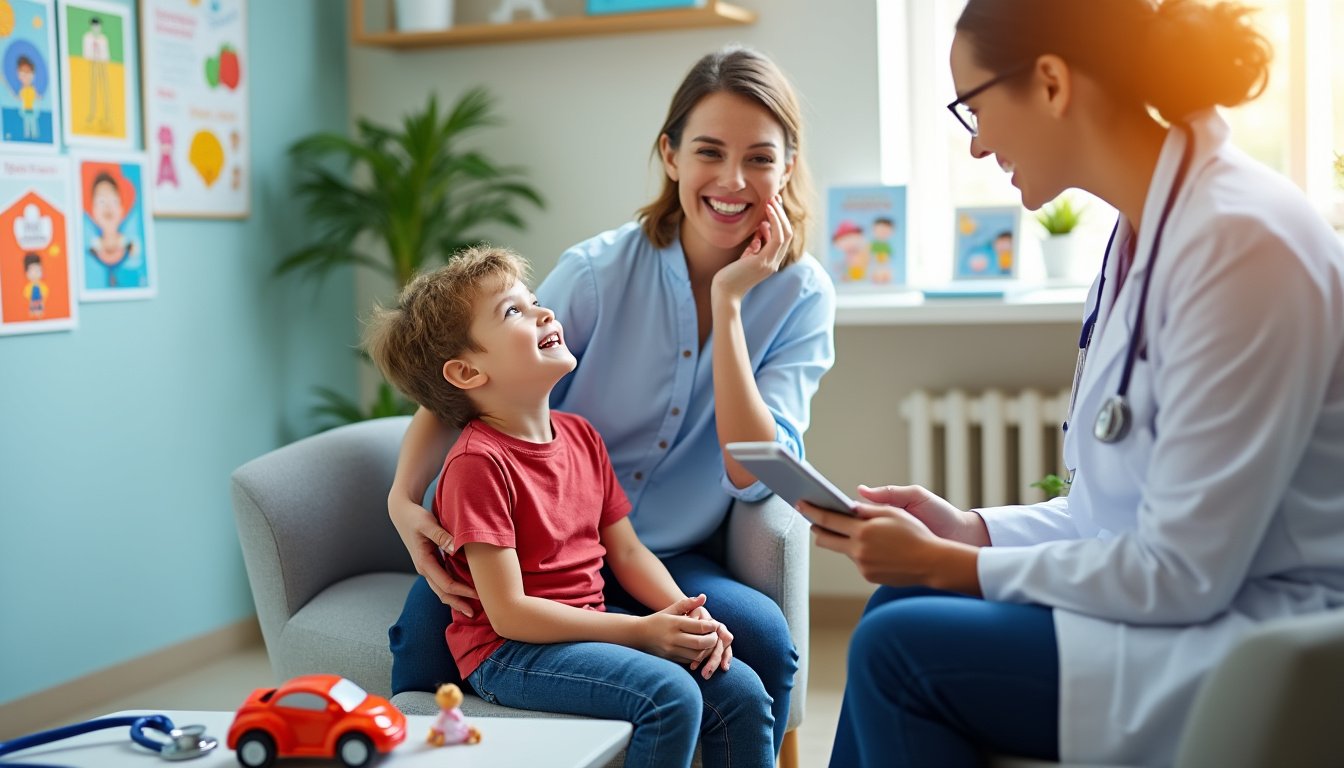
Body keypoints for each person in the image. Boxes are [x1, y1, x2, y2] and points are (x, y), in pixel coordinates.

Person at [798, 1, 1344, 766]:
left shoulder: (1241, 241)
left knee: (900, 649)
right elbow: (1107, 510)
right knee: (902, 603)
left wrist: (950, 563)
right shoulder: (1142, 231)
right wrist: (969, 532)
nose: (980, 144)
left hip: (1258, 632)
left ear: (1051, 83)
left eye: (974, 108)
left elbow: (1183, 569)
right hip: (1189, 605)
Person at [386, 45, 835, 760]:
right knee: (421, 642)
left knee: (764, 651)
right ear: (670, 155)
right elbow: (462, 389)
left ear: (787, 166)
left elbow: (752, 472)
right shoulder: (597, 272)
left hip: (669, 551)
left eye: (759, 157)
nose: (731, 180)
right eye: (709, 152)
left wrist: (731, 306)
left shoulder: (802, 294)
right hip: (532, 548)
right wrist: (403, 500)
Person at [365, 247, 773, 767]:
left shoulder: (581, 436)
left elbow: (626, 551)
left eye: (533, 301)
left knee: (740, 693)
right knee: (669, 695)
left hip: (588, 624)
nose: (544, 312)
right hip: (511, 655)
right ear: (466, 373)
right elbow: (509, 614)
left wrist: (684, 614)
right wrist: (641, 632)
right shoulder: (477, 464)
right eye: (513, 311)